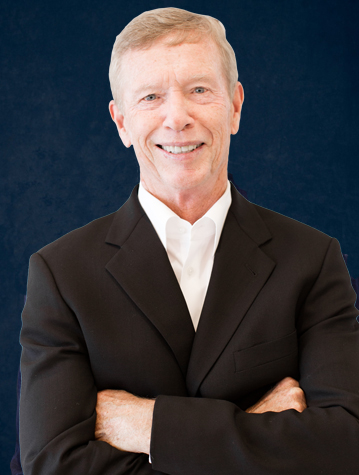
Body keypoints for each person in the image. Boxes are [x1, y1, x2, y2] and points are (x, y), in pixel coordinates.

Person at [19, 7, 359, 475]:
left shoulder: (312, 261)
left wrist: (146, 425)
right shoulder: (60, 275)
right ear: (121, 123)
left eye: (199, 90)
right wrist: (253, 426)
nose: (176, 118)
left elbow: (344, 446)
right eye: (151, 97)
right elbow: (52, 466)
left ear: (235, 106)